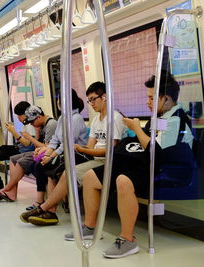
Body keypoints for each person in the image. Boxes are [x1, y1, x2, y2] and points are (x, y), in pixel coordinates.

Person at [62, 72, 194, 259]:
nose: (147, 102)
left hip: (167, 169)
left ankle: (127, 239)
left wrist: (136, 129)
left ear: (166, 99)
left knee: (123, 180)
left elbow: (157, 152)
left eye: (151, 98)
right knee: (91, 176)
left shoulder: (176, 120)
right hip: (145, 163)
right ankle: (91, 227)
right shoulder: (159, 116)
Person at [21, 82, 126, 225]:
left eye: (93, 99)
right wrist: (80, 149)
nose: (91, 103)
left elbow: (112, 150)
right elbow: (89, 145)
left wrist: (80, 149)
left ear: (105, 97)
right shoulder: (95, 120)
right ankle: (48, 209)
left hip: (109, 160)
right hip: (94, 157)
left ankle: (44, 208)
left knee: (66, 172)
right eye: (89, 100)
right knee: (61, 171)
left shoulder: (114, 118)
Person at [26, 90, 88, 211]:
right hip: (64, 152)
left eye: (60, 100)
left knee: (48, 167)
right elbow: (55, 140)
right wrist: (47, 154)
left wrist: (50, 157)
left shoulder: (76, 119)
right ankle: (50, 208)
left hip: (77, 154)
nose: (58, 103)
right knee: (41, 164)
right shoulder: (62, 118)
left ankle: (47, 207)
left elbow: (67, 143)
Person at [0, 105, 57, 202]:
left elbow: (46, 147)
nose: (32, 124)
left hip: (46, 153)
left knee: (20, 162)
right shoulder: (40, 125)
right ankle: (11, 193)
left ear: (39, 117)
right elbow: (40, 145)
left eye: (32, 122)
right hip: (38, 150)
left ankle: (6, 188)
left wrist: (29, 137)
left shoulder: (51, 125)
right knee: (13, 159)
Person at [0, 101, 36, 194]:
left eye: (19, 115)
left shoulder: (31, 126)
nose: (18, 118)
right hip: (18, 148)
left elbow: (28, 144)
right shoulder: (26, 125)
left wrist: (13, 132)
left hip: (22, 151)